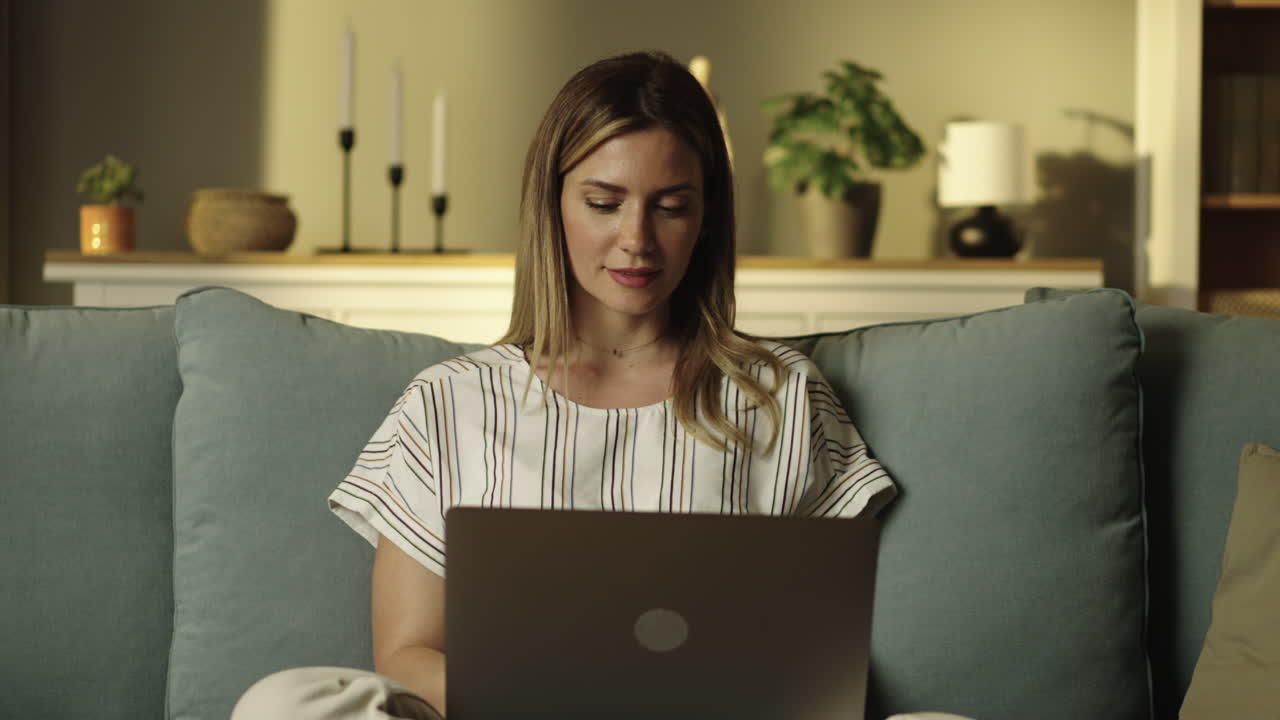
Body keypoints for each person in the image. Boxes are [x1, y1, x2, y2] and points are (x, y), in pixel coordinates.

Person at [231, 49, 896, 720]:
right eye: (604, 203)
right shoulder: (447, 403)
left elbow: (821, 659)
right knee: (286, 704)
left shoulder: (776, 394)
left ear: (706, 219)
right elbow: (407, 654)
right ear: (551, 205)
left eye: (670, 207)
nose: (636, 239)